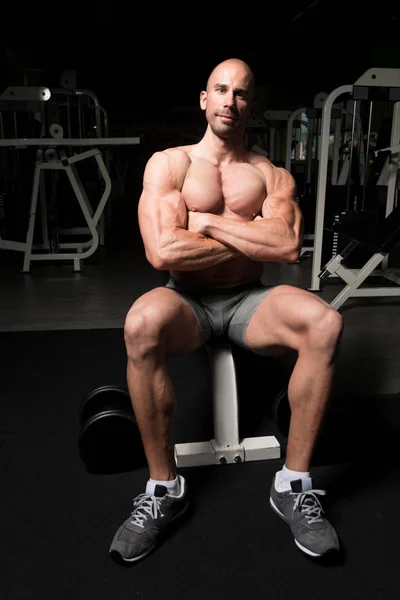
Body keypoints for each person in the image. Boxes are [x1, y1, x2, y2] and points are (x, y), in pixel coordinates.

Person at [109, 57, 344, 564]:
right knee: (140, 323)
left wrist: (207, 224)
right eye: (221, 90)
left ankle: (293, 484)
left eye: (240, 94)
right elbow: (162, 254)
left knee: (326, 322)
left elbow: (286, 246)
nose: (230, 102)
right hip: (185, 299)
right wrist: (252, 238)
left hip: (249, 302)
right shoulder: (170, 164)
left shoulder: (269, 173)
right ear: (204, 99)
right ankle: (163, 489)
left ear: (251, 106)